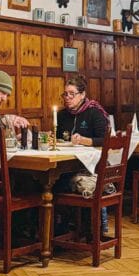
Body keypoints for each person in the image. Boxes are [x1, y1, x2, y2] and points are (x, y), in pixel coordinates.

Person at [55, 74, 110, 238]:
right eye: (65, 94)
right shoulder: (62, 115)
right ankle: (61, 229)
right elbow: (59, 138)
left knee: (59, 184)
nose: (68, 98)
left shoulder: (94, 113)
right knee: (53, 181)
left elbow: (105, 139)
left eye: (72, 94)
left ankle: (74, 229)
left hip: (91, 168)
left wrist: (85, 141)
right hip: (67, 164)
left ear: (83, 94)